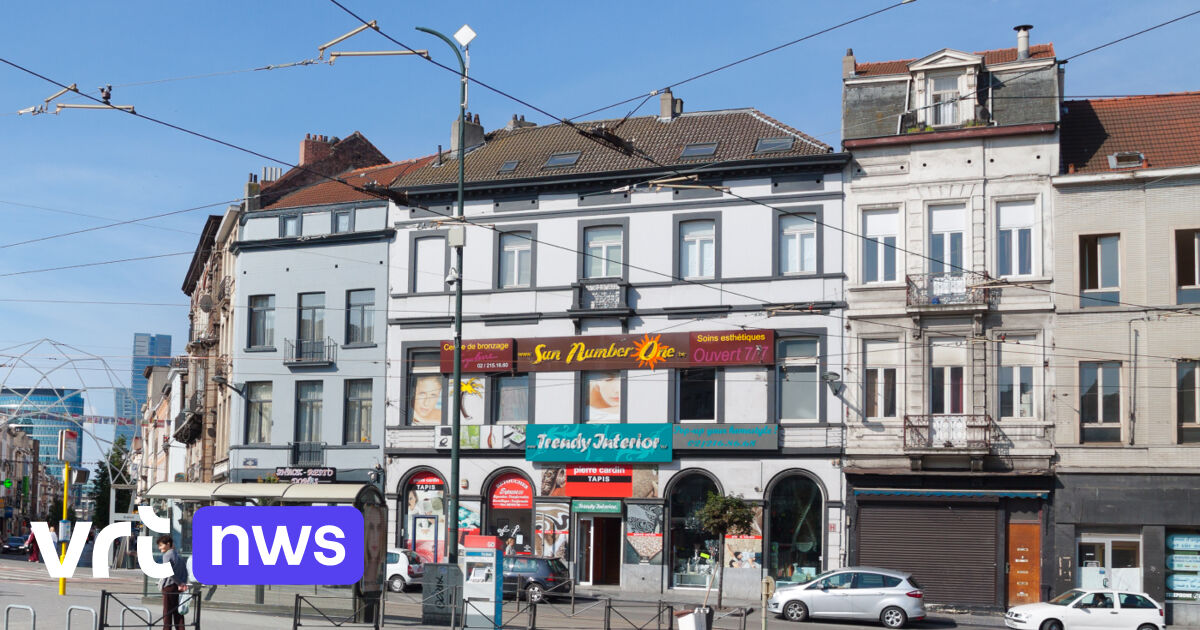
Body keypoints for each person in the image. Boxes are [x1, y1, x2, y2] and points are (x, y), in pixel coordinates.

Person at [157, 535, 188, 630]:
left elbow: (168, 572)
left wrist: (179, 583)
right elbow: (185, 572)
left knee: (167, 613)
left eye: (161, 545)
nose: (159, 548)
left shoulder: (167, 555)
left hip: (169, 587)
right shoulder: (178, 556)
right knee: (178, 612)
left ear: (168, 544)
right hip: (177, 588)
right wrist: (182, 583)